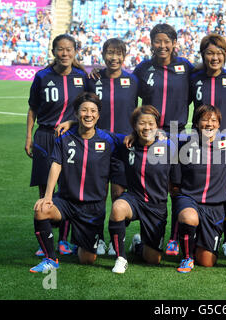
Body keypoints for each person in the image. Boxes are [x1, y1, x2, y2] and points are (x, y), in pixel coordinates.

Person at [165, 33, 226, 257]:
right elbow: (181, 101)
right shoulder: (194, 78)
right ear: (203, 55)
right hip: (197, 143)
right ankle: (174, 238)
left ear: (225, 55)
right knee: (183, 190)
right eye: (210, 53)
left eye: (219, 53)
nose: (214, 57)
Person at [30, 92, 120, 272]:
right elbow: (56, 164)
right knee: (41, 210)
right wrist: (48, 196)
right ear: (76, 113)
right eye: (84, 110)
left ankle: (79, 241)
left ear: (98, 115)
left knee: (87, 260)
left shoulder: (108, 139)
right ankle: (50, 259)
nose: (89, 114)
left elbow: (132, 138)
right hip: (66, 201)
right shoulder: (64, 137)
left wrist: (160, 136)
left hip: (92, 208)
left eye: (93, 111)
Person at [132, 23, 194, 257]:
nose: (162, 45)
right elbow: (128, 95)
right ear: (151, 43)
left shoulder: (186, 67)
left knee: (176, 188)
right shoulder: (143, 69)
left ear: (174, 43)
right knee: (149, 189)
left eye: (167, 41)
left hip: (178, 134)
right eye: (157, 41)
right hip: (150, 136)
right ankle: (146, 235)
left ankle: (174, 238)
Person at [26, 34, 87, 257]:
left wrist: (72, 122)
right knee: (45, 188)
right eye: (60, 49)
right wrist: (29, 137)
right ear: (53, 52)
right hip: (44, 136)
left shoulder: (82, 77)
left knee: (67, 189)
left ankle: (64, 240)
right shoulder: (42, 76)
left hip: (69, 137)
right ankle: (46, 240)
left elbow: (87, 106)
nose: (65, 53)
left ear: (74, 52)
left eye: (69, 49)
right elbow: (33, 108)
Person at [109, 105, 177, 274]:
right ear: (134, 125)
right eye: (141, 123)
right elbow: (98, 133)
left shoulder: (169, 145)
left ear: (157, 126)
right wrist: (73, 122)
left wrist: (166, 134)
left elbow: (192, 136)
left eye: (151, 124)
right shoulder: (126, 144)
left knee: (152, 259)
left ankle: (138, 245)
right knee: (117, 208)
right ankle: (121, 258)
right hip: (134, 199)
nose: (146, 127)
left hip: (156, 206)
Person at [86, 38, 139, 255]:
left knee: (119, 195)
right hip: (97, 145)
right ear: (102, 54)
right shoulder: (93, 80)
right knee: (97, 195)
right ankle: (97, 238)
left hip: (124, 146)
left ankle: (116, 239)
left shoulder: (133, 80)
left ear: (124, 55)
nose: (113, 58)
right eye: (109, 53)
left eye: (118, 53)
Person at [173, 105, 226, 273]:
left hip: (214, 207)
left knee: (207, 261)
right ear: (196, 123)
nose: (209, 124)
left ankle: (194, 243)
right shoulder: (184, 144)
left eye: (214, 120)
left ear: (219, 124)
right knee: (189, 218)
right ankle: (187, 257)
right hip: (189, 199)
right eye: (205, 119)